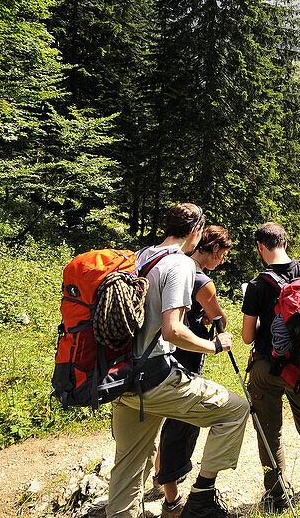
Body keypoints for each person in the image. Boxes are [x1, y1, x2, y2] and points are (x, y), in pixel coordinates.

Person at [107, 204, 248, 518]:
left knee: (129, 464)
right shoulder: (181, 264)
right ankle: (201, 500)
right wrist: (213, 345)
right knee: (236, 410)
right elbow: (173, 330)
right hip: (154, 377)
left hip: (121, 377)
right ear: (196, 232)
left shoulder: (143, 255)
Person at [241, 222, 300, 514]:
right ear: (285, 242)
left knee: (269, 430)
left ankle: (277, 494)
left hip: (267, 369)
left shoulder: (257, 285)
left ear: (260, 247)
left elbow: (247, 337)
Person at [151, 225, 233, 513]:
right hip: (183, 359)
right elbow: (218, 316)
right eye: (221, 254)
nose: (222, 260)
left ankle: (157, 477)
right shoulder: (201, 280)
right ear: (211, 249)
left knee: (156, 421)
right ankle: (172, 499)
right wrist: (214, 333)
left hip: (151, 357)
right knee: (179, 425)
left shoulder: (165, 264)